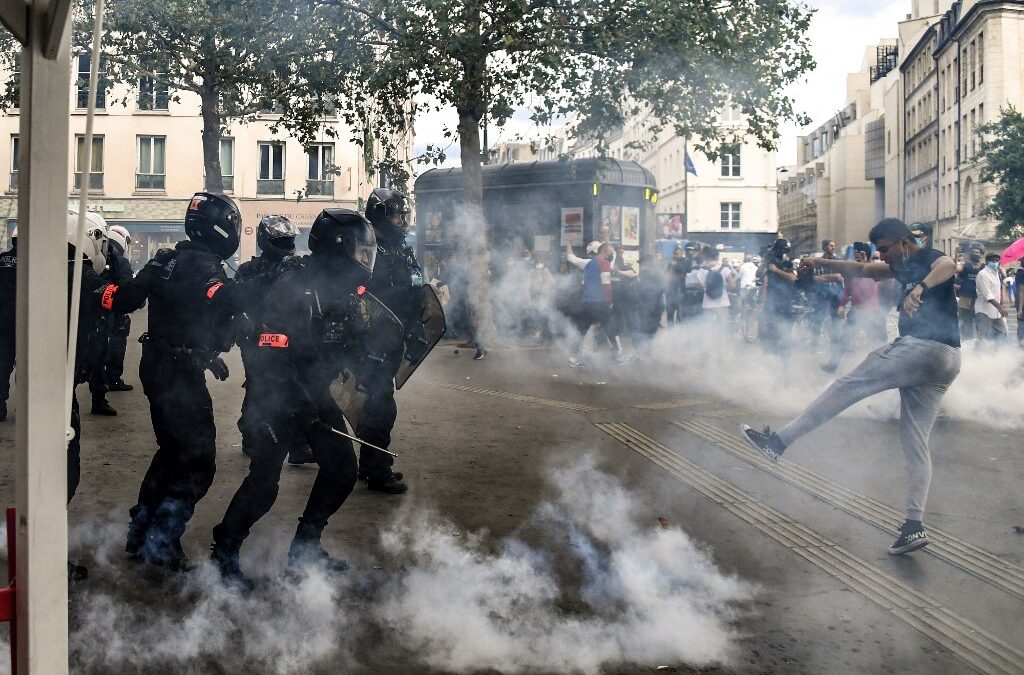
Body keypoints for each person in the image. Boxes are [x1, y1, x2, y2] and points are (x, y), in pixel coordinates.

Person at [743, 218, 961, 556]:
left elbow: (947, 264)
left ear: (904, 242)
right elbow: (867, 271)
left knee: (848, 385)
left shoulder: (926, 257)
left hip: (923, 348)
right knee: (914, 440)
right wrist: (822, 262)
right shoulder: (901, 264)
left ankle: (779, 442)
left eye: (886, 249)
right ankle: (914, 525)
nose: (883, 256)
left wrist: (921, 289)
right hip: (947, 360)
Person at [210, 209, 381, 591]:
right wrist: (296, 399)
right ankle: (223, 554)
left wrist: (366, 359)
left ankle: (305, 549)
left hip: (314, 394)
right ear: (340, 248)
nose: (365, 261)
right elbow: (269, 347)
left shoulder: (338, 288)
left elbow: (339, 340)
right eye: (361, 252)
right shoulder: (293, 285)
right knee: (264, 483)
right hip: (275, 395)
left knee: (341, 469)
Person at [98, 192, 241, 570]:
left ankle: (140, 529)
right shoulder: (207, 266)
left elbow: (127, 299)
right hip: (178, 372)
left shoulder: (165, 259)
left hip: (156, 364)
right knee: (198, 460)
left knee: (172, 450)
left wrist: (98, 289)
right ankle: (162, 540)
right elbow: (219, 298)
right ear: (222, 228)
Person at [235, 215, 314, 466]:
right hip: (255, 337)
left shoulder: (296, 267)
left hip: (287, 336)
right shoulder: (249, 270)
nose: (288, 243)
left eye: (289, 239)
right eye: (282, 239)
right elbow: (237, 301)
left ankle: (299, 446)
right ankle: (250, 435)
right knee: (259, 386)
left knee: (296, 386)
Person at [358, 188, 421, 494]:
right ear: (381, 216)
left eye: (403, 215)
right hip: (376, 340)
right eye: (396, 214)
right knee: (380, 407)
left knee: (376, 404)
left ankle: (367, 465)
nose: (401, 220)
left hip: (395, 337)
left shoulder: (401, 250)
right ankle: (376, 470)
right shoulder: (369, 251)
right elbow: (362, 298)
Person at [103, 225, 135, 392]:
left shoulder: (99, 254)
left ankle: (98, 381)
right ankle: (113, 378)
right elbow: (128, 287)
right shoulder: (120, 261)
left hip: (97, 307)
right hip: (115, 308)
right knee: (118, 339)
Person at [757, 239, 797, 358]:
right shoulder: (770, 263)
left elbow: (793, 277)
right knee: (769, 334)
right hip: (771, 304)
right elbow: (759, 275)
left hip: (785, 304)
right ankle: (772, 361)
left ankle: (784, 362)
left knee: (785, 335)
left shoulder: (789, 263)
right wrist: (766, 263)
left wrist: (777, 270)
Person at [974, 253, 1008, 342]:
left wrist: (1003, 275)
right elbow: (988, 295)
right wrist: (1000, 307)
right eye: (993, 260)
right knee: (982, 337)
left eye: (997, 260)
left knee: (1002, 332)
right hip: (984, 311)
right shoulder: (983, 274)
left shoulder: (997, 273)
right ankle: (978, 355)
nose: (995, 262)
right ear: (987, 262)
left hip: (995, 311)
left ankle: (994, 353)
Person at [955, 242, 984, 340]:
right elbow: (956, 268)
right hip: (965, 300)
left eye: (977, 252)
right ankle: (967, 344)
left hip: (979, 300)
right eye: (973, 252)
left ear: (981, 254)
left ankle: (979, 346)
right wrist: (956, 255)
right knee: (965, 324)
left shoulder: (984, 267)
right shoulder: (965, 265)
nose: (974, 253)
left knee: (980, 324)